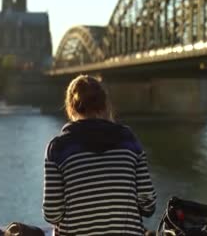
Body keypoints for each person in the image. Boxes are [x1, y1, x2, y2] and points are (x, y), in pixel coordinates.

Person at [42, 75, 157, 236]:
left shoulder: (58, 148)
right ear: (105, 104)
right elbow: (148, 205)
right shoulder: (128, 140)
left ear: (71, 106)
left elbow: (52, 213)